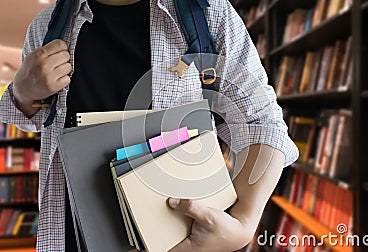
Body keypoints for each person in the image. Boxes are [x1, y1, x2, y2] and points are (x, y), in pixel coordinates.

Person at [0, 0, 299, 251]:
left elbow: (260, 121)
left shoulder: (207, 12)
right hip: (70, 234)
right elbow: (40, 121)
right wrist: (21, 94)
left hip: (177, 235)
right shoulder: (46, 25)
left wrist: (244, 225)